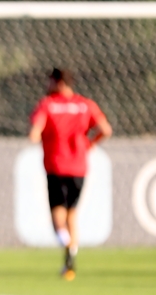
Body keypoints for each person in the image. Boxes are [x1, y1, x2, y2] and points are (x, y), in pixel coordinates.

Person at [27, 68, 112, 280]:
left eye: (50, 82)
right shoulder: (86, 104)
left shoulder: (47, 105)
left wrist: (41, 136)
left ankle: (66, 245)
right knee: (72, 214)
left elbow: (34, 134)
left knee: (58, 218)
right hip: (79, 168)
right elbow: (106, 130)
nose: (47, 86)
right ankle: (70, 260)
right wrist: (90, 144)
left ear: (59, 83)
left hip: (56, 166)